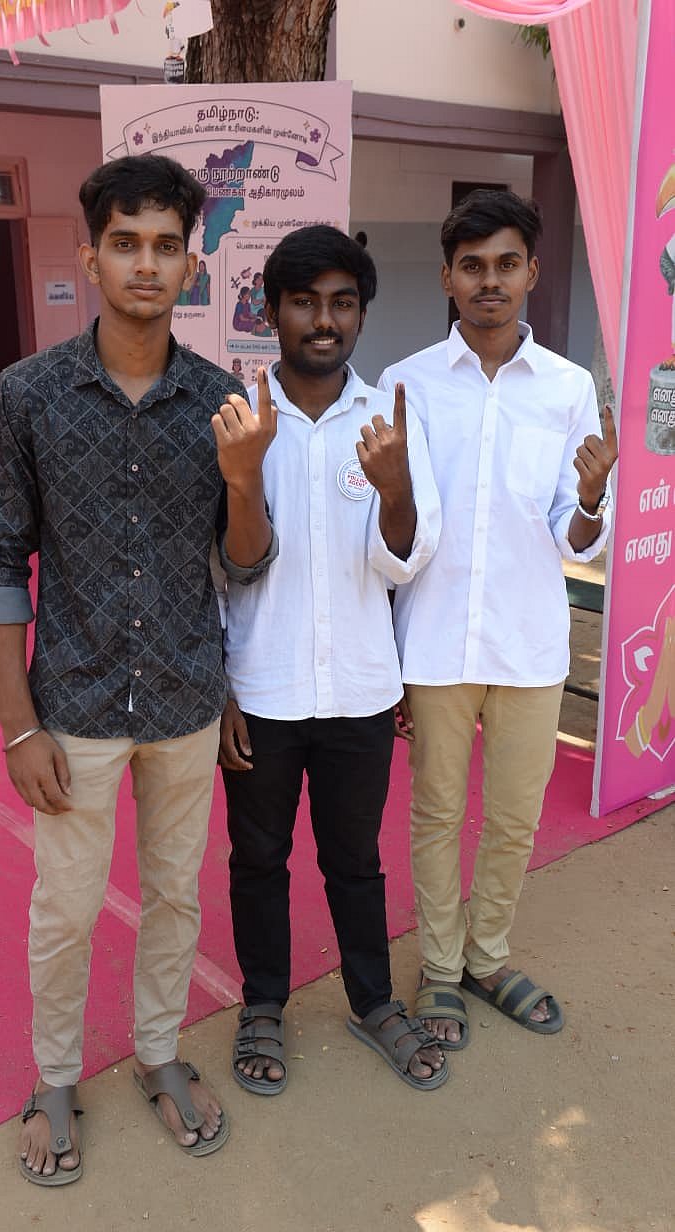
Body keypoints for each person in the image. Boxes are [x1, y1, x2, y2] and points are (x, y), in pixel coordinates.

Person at [0, 153, 277, 1183]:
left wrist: (244, 479)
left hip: (185, 698)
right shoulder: (28, 395)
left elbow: (243, 563)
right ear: (89, 254)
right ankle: (56, 1076)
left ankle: (157, 1052)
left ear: (193, 264)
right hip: (75, 705)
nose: (146, 263)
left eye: (165, 246)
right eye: (125, 243)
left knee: (176, 895)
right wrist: (18, 724)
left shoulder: (221, 400)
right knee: (65, 906)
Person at [379, 189, 618, 1049]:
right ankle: (442, 970)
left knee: (515, 819)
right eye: (472, 266)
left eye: (506, 264)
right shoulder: (405, 384)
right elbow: (393, 525)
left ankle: (487, 958)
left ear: (532, 273)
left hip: (528, 644)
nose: (490, 281)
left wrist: (590, 499)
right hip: (435, 641)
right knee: (437, 815)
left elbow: (571, 531)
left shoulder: (566, 388)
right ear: (447, 277)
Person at [219, 225, 447, 1094]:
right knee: (258, 860)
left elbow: (407, 559)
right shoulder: (239, 421)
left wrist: (395, 488)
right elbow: (214, 568)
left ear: (361, 313)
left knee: (355, 860)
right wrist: (218, 687)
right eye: (305, 302)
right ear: (271, 311)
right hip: (261, 689)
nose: (324, 320)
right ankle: (262, 1005)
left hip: (359, 690)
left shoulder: (389, 421)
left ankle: (373, 1002)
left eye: (342, 303)